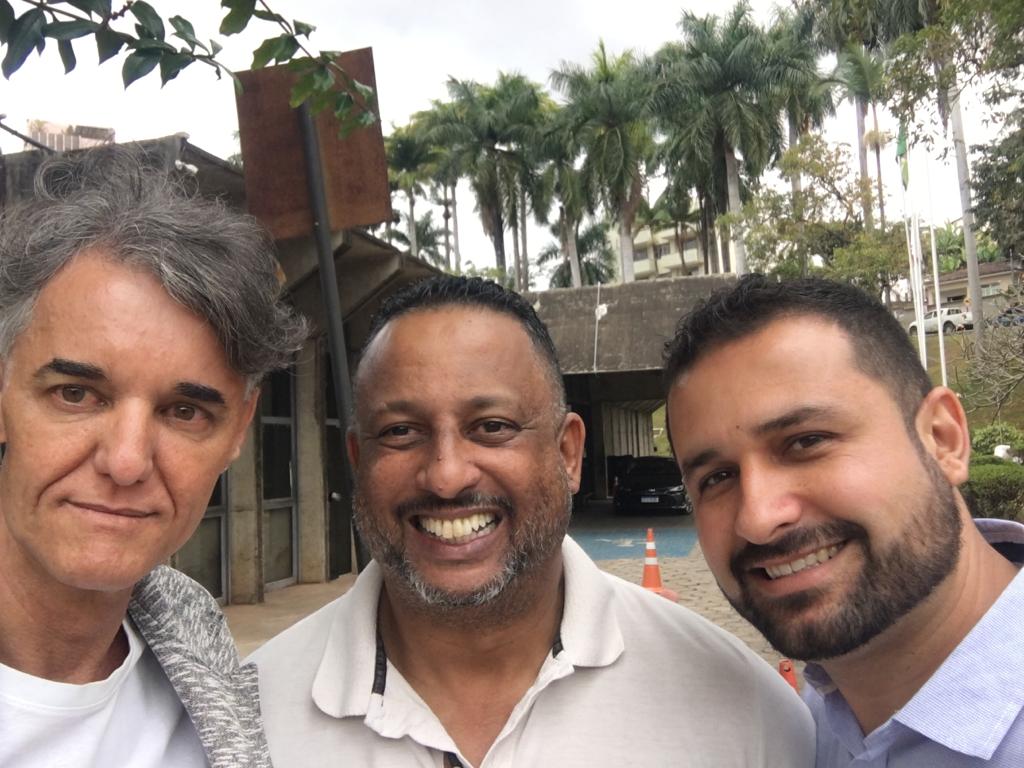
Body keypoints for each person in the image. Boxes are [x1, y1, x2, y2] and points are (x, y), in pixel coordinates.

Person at [251, 275, 813, 768]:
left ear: (568, 454)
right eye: (401, 431)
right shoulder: (238, 720)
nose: (446, 477)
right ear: (358, 461)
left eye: (491, 426)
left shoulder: (748, 712)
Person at [0, 148, 306, 767]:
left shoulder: (194, 637)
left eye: (185, 412)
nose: (127, 461)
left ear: (239, 429)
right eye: (77, 394)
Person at [664, 274, 1024, 767]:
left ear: (943, 439)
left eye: (806, 441)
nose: (758, 517)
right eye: (717, 477)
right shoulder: (807, 724)